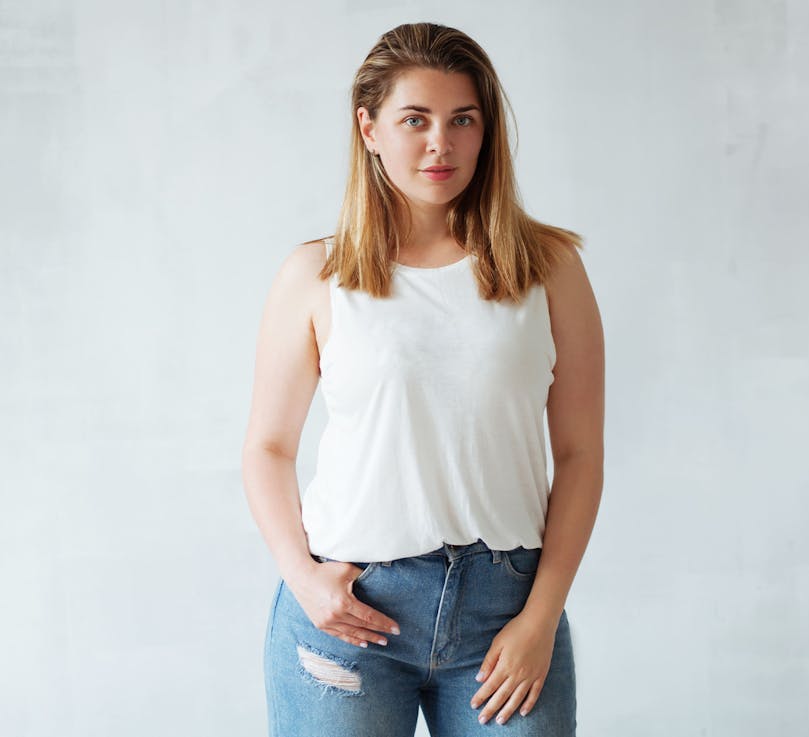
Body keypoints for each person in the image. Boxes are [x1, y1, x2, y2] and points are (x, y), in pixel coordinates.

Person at [242, 21, 604, 737]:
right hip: (349, 609)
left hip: (507, 612)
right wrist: (304, 579)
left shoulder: (550, 269)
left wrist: (540, 616)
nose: (441, 143)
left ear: (486, 131)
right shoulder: (316, 274)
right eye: (416, 120)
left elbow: (579, 454)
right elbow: (267, 448)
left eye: (462, 120)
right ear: (369, 128)